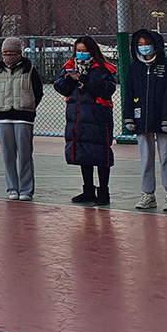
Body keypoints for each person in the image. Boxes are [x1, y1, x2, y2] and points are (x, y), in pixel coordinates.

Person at [53, 36, 117, 206]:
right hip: (77, 117)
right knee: (83, 152)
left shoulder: (103, 69)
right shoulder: (69, 66)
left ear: (92, 51)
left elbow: (108, 89)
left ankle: (103, 191)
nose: (81, 54)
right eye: (78, 51)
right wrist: (68, 80)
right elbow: (60, 86)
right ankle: (88, 189)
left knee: (101, 153)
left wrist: (84, 79)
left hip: (98, 116)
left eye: (84, 51)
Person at [124, 29, 167, 212]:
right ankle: (148, 195)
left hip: (166, 121)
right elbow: (129, 92)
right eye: (140, 44)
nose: (144, 47)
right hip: (142, 120)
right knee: (146, 157)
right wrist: (129, 117)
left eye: (147, 43)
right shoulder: (134, 67)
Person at [0, 37, 44, 201]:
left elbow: (38, 92)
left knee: (25, 154)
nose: (8, 56)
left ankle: (26, 190)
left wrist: (28, 105)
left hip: (24, 117)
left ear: (19, 53)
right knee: (8, 154)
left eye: (12, 52)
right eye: (5, 53)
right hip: (3, 117)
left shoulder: (30, 69)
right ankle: (12, 188)